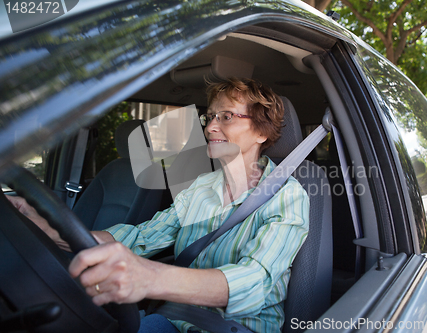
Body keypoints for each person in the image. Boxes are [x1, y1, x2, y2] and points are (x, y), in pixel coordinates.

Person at [7, 78, 310, 333]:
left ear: (262, 131)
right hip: (177, 320)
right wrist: (44, 225)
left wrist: (149, 278)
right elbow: (140, 238)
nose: (210, 127)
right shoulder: (200, 188)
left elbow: (254, 282)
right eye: (210, 117)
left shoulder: (288, 196)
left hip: (238, 327)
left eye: (227, 116)